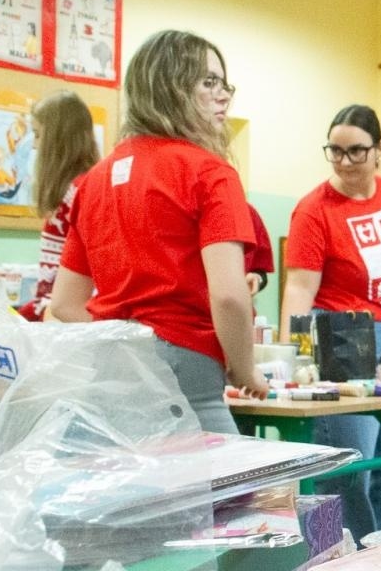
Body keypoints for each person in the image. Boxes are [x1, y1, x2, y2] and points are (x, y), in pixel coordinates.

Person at [49, 29, 265, 433]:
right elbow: (229, 295)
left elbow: (64, 303)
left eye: (224, 84)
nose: (223, 96)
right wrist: (245, 368)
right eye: (209, 82)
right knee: (227, 475)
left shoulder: (93, 181)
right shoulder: (210, 172)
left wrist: (124, 349)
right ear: (171, 87)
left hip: (109, 364)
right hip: (185, 366)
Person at [281, 104, 381, 542]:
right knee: (348, 468)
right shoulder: (313, 210)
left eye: (356, 151)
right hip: (342, 340)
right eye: (335, 151)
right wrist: (293, 360)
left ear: (380, 149)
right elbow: (298, 291)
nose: (344, 162)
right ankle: (341, 559)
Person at [17, 90, 98, 321]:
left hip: (67, 318)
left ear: (57, 140)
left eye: (37, 135)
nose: (34, 145)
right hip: (55, 313)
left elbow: (79, 286)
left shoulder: (81, 191)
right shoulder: (69, 191)